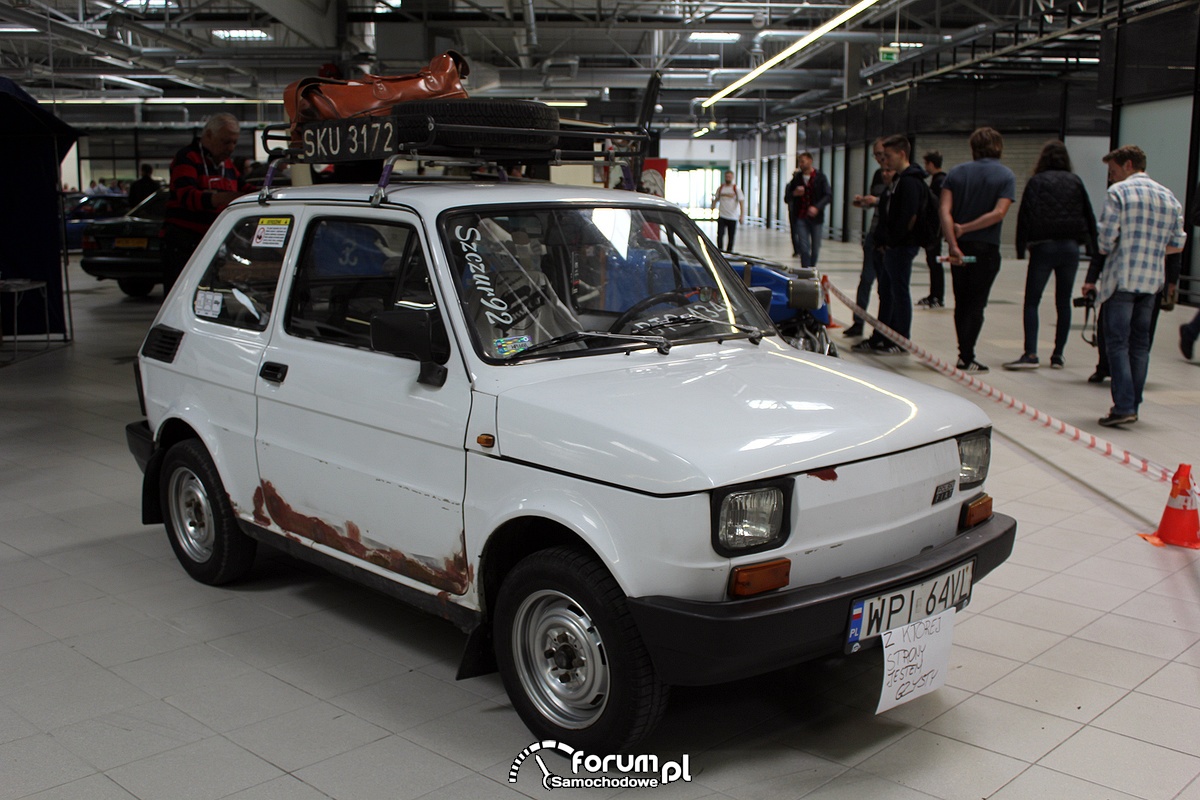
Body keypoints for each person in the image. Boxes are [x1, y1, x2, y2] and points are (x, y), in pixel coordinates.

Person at [1081, 145, 1185, 427]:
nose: (1112, 178)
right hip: (1152, 282)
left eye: (1113, 171)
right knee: (1140, 346)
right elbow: (1178, 243)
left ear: (1127, 165)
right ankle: (1133, 405)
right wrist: (1153, 249)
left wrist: (1124, 245)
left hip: (1122, 279)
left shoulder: (1119, 194)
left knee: (1117, 344)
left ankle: (1123, 406)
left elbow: (1104, 241)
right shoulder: (1168, 196)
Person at [1003, 140, 1097, 370]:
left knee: (1032, 300)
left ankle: (1031, 353)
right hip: (1070, 248)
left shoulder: (1037, 182)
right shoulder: (1075, 181)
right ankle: (1058, 355)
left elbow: (1025, 214)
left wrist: (1020, 247)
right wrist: (1092, 249)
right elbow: (1088, 214)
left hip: (1043, 248)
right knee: (1063, 302)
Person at [940, 127, 1017, 374]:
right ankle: (968, 354)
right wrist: (967, 228)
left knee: (961, 301)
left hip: (959, 249)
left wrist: (953, 242)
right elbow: (998, 213)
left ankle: (963, 352)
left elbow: (944, 210)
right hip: (986, 249)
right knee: (976, 303)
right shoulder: (1005, 175)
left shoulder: (956, 173)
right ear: (998, 146)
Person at [853, 134, 925, 355]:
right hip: (888, 245)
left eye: (888, 156)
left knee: (898, 292)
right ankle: (882, 335)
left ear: (901, 154)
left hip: (900, 247)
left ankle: (900, 339)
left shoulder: (910, 182)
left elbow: (907, 217)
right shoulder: (897, 182)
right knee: (886, 291)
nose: (885, 161)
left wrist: (892, 242)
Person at [161, 113, 248, 293]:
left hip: (212, 244)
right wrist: (221, 198)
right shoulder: (187, 158)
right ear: (208, 135)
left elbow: (243, 188)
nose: (231, 148)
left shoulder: (228, 165)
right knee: (181, 295)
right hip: (183, 245)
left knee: (211, 295)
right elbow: (186, 197)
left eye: (234, 142)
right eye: (226, 142)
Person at [845, 140, 890, 338]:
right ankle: (858, 323)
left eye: (881, 154)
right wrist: (866, 201)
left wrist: (878, 201)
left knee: (885, 287)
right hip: (874, 234)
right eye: (876, 155)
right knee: (866, 280)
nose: (879, 159)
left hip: (888, 239)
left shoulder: (901, 178)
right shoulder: (878, 175)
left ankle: (882, 332)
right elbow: (877, 200)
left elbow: (897, 204)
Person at [785, 152, 831, 268]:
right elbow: (787, 197)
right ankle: (805, 270)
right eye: (800, 161)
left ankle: (811, 267)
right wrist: (794, 193)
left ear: (810, 161)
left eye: (803, 161)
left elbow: (828, 195)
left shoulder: (820, 177)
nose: (801, 164)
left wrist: (817, 207)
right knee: (804, 246)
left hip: (816, 219)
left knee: (815, 248)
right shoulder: (796, 179)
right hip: (801, 217)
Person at [915, 150, 947, 308]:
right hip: (936, 229)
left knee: (935, 263)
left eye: (926, 164)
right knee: (934, 262)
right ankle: (935, 294)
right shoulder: (941, 181)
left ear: (931, 164)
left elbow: (936, 207)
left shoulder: (938, 182)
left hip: (934, 230)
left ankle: (937, 295)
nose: (925, 167)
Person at [711, 170, 745, 251]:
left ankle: (729, 252)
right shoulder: (721, 188)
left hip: (733, 216)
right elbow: (716, 200)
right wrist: (712, 213)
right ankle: (720, 251)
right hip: (722, 216)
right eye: (726, 176)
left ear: (732, 177)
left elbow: (741, 202)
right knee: (720, 234)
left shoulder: (736, 189)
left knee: (731, 236)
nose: (728, 178)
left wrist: (742, 216)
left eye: (729, 176)